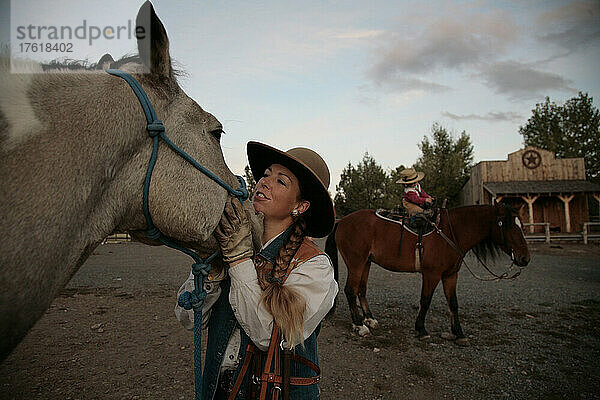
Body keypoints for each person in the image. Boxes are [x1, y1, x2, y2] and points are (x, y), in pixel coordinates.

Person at [175, 141, 338, 400]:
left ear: (301, 206)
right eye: (265, 175)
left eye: (281, 181)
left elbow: (268, 336)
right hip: (218, 390)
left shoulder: (315, 265)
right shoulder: (230, 242)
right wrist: (213, 274)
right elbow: (187, 319)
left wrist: (239, 261)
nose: (264, 182)